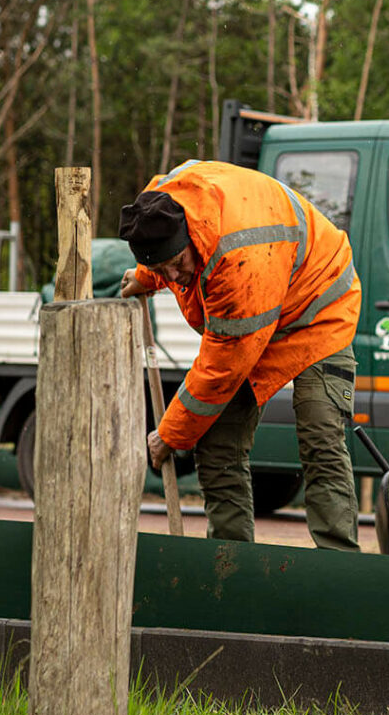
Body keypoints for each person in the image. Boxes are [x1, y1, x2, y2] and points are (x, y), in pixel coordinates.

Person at [117, 159, 363, 550]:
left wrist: (169, 435)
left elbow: (220, 371)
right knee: (216, 443)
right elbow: (170, 256)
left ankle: (338, 564)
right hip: (259, 307)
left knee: (320, 440)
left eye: (177, 264)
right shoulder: (163, 204)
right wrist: (149, 276)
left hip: (317, 307)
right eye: (163, 268)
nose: (176, 277)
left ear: (190, 238)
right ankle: (230, 565)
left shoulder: (239, 260)